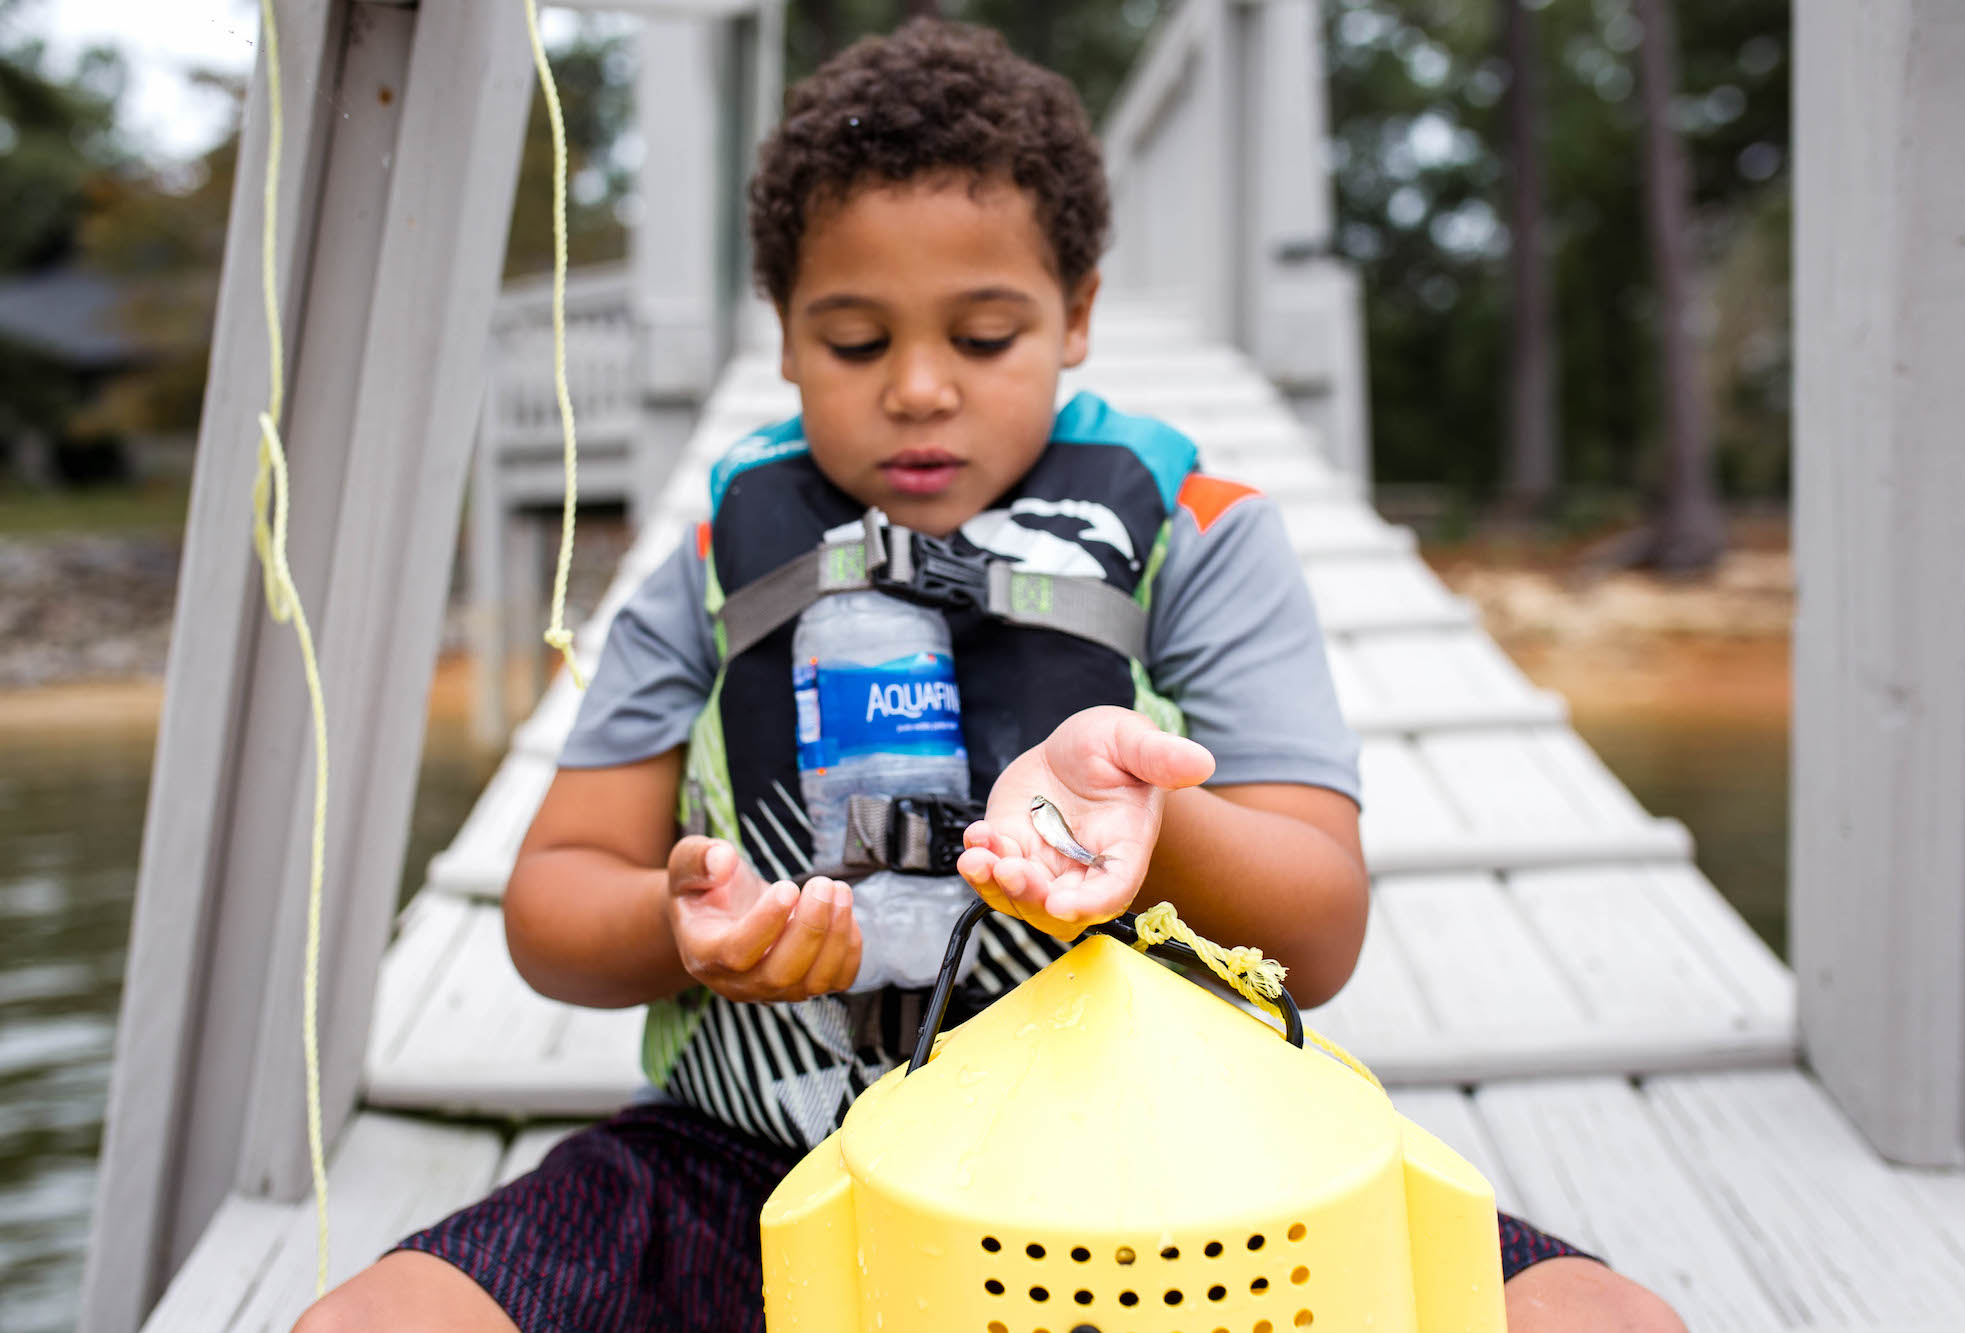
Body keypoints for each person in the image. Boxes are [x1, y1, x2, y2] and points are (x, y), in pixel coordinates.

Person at [298, 19, 1684, 1333]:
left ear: (1077, 313)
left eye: (983, 336)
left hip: (1175, 1163)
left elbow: (1318, 927)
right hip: (755, 1162)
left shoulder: (1198, 534)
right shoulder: (713, 566)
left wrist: (1155, 833)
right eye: (854, 341)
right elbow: (553, 905)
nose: (916, 388)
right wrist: (690, 933)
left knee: (1602, 1315)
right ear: (782, 334)